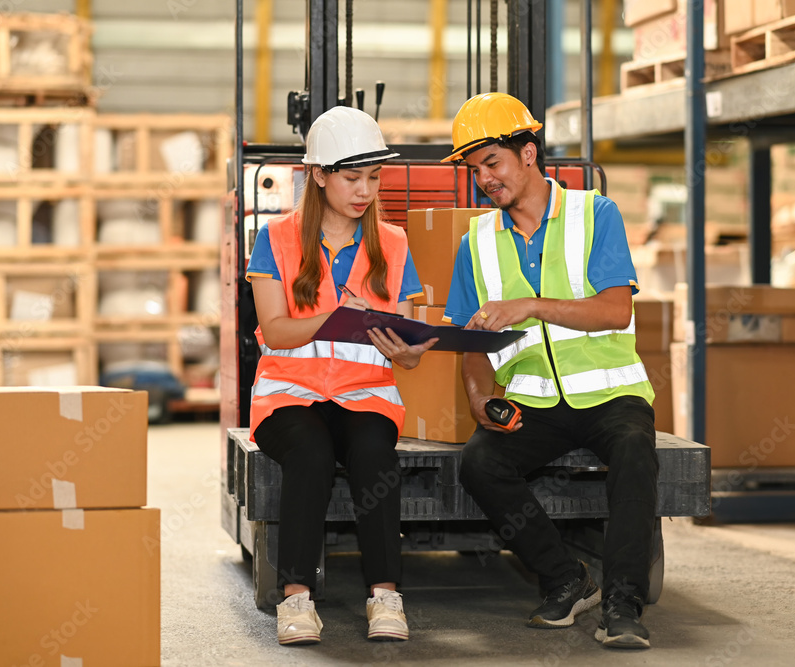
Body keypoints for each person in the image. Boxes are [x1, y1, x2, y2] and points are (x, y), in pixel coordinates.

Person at [441, 92, 659, 650]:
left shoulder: (595, 214)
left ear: (529, 154)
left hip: (611, 394)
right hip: (534, 402)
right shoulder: (476, 241)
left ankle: (623, 601)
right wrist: (476, 399)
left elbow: (615, 310)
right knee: (480, 465)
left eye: (492, 163)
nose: (484, 179)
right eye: (474, 170)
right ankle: (566, 578)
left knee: (635, 453)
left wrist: (532, 303)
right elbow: (471, 340)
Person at [246, 106, 436, 645]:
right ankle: (296, 599)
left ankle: (385, 595)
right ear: (320, 175)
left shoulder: (393, 244)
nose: (365, 191)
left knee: (375, 455)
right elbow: (276, 331)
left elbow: (413, 352)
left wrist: (406, 349)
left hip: (364, 397)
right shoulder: (277, 239)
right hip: (288, 397)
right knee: (307, 455)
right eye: (353, 177)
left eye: (373, 178)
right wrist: (332, 316)